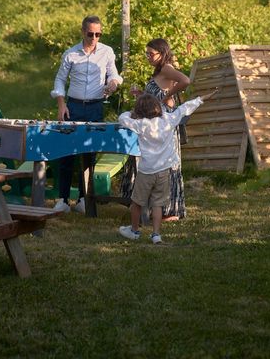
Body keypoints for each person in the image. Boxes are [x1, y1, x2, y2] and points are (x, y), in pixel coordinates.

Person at [118, 90, 217, 244]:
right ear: (158, 108)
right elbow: (185, 108)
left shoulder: (141, 124)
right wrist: (201, 98)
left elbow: (122, 119)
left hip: (146, 171)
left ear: (140, 111)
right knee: (157, 204)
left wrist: (130, 113)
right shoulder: (169, 120)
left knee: (137, 202)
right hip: (164, 171)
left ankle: (134, 231)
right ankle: (156, 235)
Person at [50, 15, 122, 213]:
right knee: (66, 152)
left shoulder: (107, 52)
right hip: (72, 107)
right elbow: (59, 80)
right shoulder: (71, 54)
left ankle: (84, 198)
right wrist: (61, 104)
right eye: (90, 34)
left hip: (95, 107)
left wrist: (113, 84)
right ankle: (63, 199)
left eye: (98, 34)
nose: (94, 38)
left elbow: (114, 75)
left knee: (89, 153)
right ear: (83, 32)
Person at [121, 38, 191, 221]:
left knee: (163, 163)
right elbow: (156, 95)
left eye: (151, 54)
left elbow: (185, 80)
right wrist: (142, 95)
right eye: (147, 54)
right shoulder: (159, 71)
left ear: (162, 53)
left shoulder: (167, 68)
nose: (148, 57)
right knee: (151, 161)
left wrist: (169, 94)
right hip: (154, 124)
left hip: (163, 124)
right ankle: (151, 207)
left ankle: (169, 210)